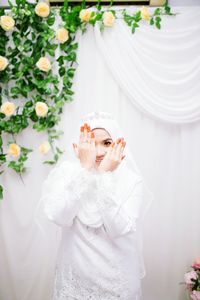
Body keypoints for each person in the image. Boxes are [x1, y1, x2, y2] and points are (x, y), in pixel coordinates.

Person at [38, 111, 153, 300]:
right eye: (91, 142)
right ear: (80, 144)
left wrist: (104, 177)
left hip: (117, 282)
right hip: (74, 281)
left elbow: (118, 228)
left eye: (107, 143)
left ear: (118, 144)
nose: (99, 152)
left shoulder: (131, 181)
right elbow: (59, 216)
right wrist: (84, 170)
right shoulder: (68, 173)